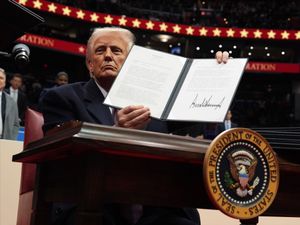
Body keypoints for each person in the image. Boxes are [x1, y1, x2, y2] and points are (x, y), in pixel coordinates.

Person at [41, 27, 229, 225]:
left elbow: (203, 106)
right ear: (89, 64)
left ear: (132, 63)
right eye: (99, 50)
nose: (107, 56)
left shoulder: (159, 101)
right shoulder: (62, 98)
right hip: (93, 205)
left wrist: (219, 72)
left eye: (116, 50)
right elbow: (60, 158)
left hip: (156, 210)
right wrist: (115, 133)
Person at [0, 68, 20, 140]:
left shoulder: (11, 101)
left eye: (1, 78)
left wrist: (11, 138)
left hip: (4, 140)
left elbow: (15, 124)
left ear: (5, 82)